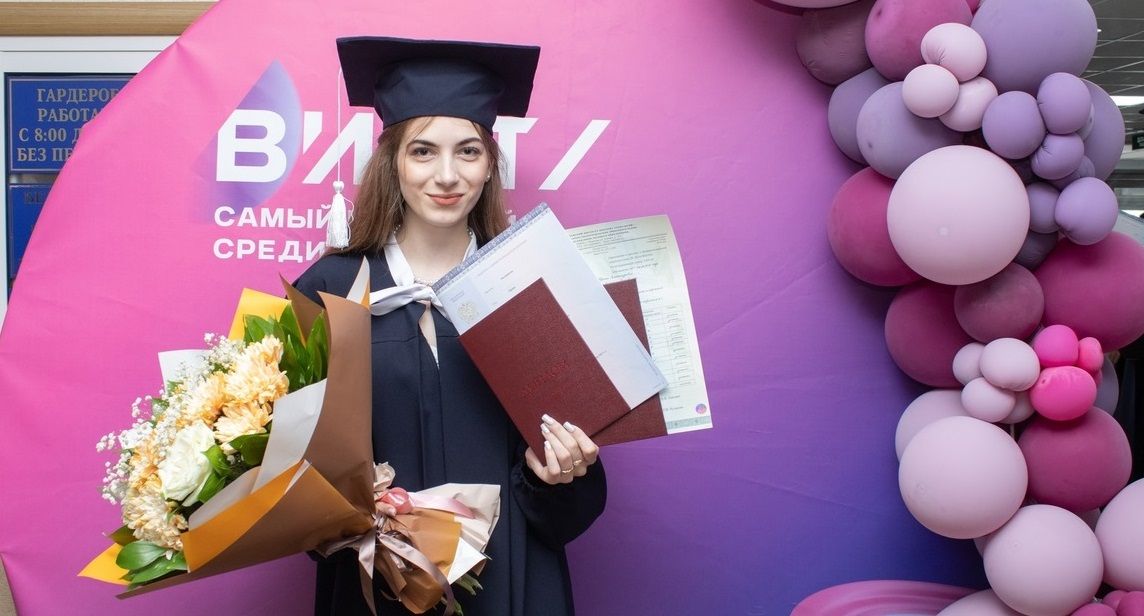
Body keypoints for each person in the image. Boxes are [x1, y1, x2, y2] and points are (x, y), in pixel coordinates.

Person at [293, 37, 607, 616]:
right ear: (392, 162)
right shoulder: (332, 289)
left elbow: (568, 505)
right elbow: (294, 473)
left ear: (490, 166)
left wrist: (560, 475)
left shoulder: (528, 285)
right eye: (423, 152)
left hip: (511, 575)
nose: (446, 175)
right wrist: (349, 508)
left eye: (467, 151)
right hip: (376, 583)